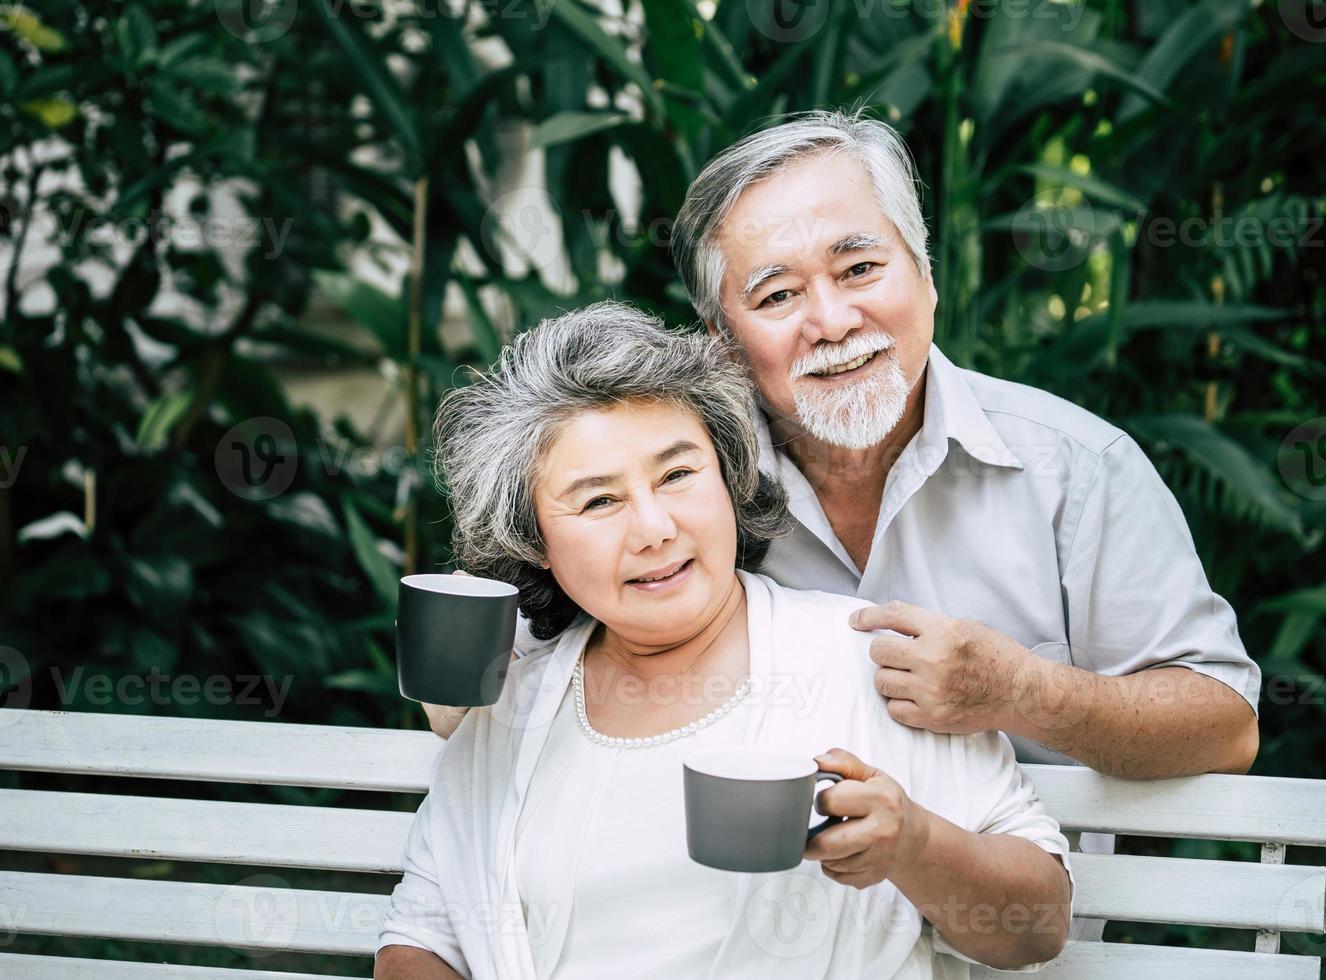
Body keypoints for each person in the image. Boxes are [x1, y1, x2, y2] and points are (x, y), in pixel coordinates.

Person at [424, 113, 1261, 941]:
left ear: (927, 277)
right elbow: (533, 678)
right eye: (778, 294)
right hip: (760, 935)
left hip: (1028, 942)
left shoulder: (1077, 468)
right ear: (721, 340)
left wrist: (1019, 691)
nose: (831, 320)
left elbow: (1226, 727)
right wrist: (466, 689)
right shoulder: (685, 485)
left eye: (860, 267)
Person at [375, 304, 1071, 979]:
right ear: (536, 544)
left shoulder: (869, 664)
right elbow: (423, 937)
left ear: (728, 478)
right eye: (598, 500)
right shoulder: (514, 704)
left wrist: (914, 844)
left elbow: (1038, 928)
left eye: (678, 474)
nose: (654, 528)